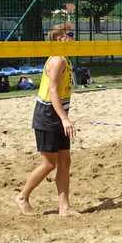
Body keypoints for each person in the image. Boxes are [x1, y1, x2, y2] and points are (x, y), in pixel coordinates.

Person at [16, 23, 78, 216]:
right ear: (59, 38)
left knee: (65, 160)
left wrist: (64, 117)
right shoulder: (57, 60)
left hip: (58, 115)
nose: (73, 37)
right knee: (49, 163)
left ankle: (64, 207)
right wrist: (64, 119)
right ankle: (22, 196)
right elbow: (52, 91)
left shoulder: (65, 58)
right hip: (48, 116)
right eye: (70, 34)